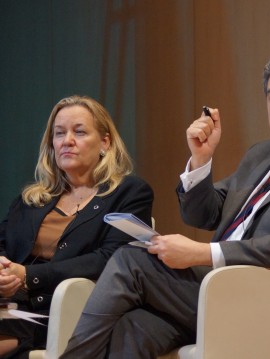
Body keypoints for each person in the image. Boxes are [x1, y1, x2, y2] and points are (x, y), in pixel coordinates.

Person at [60, 51, 270, 358]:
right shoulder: (262, 155)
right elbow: (204, 214)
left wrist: (200, 253)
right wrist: (201, 159)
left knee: (131, 261)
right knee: (133, 328)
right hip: (218, 291)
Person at [0, 95, 154, 358]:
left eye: (79, 132)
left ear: (105, 142)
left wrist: (27, 275)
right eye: (59, 133)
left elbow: (111, 259)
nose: (67, 141)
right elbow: (3, 243)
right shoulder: (32, 198)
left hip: (70, 310)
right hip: (11, 304)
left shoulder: (129, 193)